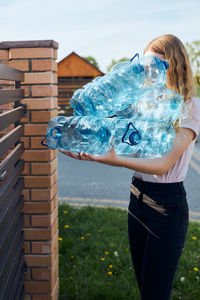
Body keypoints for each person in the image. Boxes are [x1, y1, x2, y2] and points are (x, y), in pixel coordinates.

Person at [59, 34, 200, 300]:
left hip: (165, 208)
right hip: (136, 200)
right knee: (144, 287)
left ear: (174, 64)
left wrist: (111, 159)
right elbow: (117, 135)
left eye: (156, 63)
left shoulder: (189, 107)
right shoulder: (142, 101)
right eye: (145, 62)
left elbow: (162, 165)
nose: (148, 69)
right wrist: (88, 146)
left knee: (155, 294)